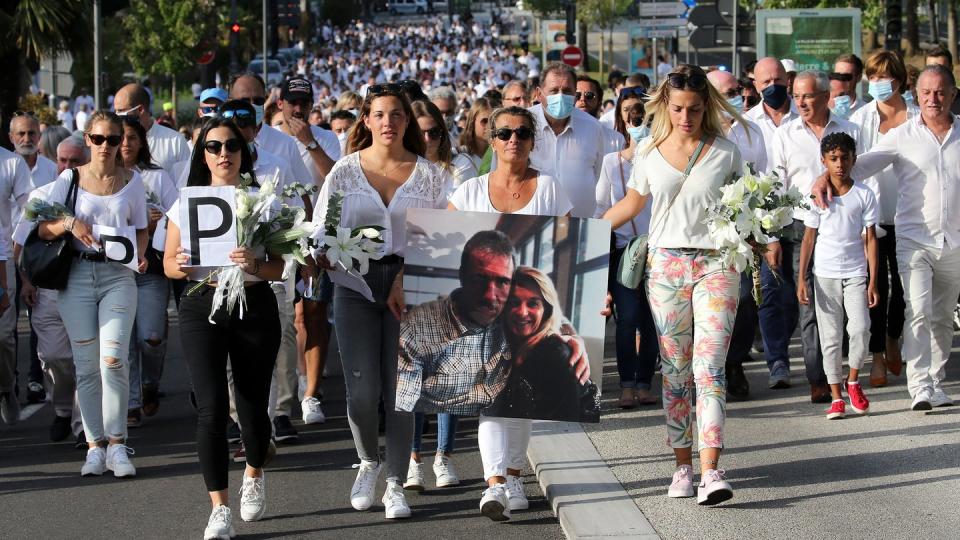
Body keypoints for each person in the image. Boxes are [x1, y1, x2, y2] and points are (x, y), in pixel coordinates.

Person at [604, 64, 761, 506]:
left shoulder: (727, 152)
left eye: (693, 108)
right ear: (665, 107)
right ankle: (682, 467)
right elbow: (632, 203)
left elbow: (746, 205)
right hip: (666, 266)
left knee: (708, 368)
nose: (685, 117)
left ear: (706, 106)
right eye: (677, 109)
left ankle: (712, 470)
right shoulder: (649, 152)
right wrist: (583, 234)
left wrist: (761, 234)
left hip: (717, 266)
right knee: (675, 372)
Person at [312, 84, 447, 520]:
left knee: (401, 391)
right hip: (353, 285)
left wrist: (409, 275)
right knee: (362, 389)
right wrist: (317, 254)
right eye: (379, 114)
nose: (388, 122)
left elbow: (443, 238)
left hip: (410, 286)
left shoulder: (429, 175)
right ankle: (368, 461)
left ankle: (394, 482)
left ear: (408, 122)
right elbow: (321, 229)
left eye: (397, 115)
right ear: (366, 120)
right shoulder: (344, 172)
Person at [444, 107, 577, 522]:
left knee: (522, 395)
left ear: (533, 140)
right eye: (504, 133)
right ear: (492, 139)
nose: (513, 140)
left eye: (521, 133)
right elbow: (446, 243)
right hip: (484, 311)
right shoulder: (468, 192)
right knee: (492, 395)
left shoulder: (550, 188)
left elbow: (568, 246)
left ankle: (514, 476)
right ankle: (495, 483)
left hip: (528, 310)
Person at [811, 65, 960, 411]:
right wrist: (823, 177)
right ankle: (919, 385)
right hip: (914, 239)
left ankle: (935, 381)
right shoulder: (903, 135)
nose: (933, 99)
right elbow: (856, 166)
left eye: (940, 92)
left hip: (954, 242)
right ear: (916, 94)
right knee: (918, 309)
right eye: (926, 93)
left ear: (952, 94)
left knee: (941, 315)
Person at [163, 116, 283, 538]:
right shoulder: (186, 201)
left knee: (252, 410)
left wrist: (255, 263)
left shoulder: (265, 200)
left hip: (253, 303)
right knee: (211, 407)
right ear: (203, 155)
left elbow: (280, 266)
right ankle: (219, 507)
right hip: (202, 303)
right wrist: (178, 265)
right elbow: (168, 263)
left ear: (244, 151)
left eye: (231, 145)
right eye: (213, 147)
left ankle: (253, 471)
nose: (223, 153)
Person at [38, 111, 148, 477]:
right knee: (86, 367)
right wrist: (69, 222)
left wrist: (141, 255)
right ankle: (94, 446)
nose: (106, 146)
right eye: (98, 139)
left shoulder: (134, 182)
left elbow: (141, 229)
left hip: (119, 276)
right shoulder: (69, 179)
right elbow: (40, 227)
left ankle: (118, 444)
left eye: (113, 139)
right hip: (78, 277)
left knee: (113, 360)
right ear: (87, 139)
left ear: (123, 142)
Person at [228, 73, 313, 441]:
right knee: (232, 340)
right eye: (239, 103)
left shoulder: (282, 150)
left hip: (274, 260)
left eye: (254, 100)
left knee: (281, 333)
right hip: (227, 264)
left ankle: (280, 410)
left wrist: (301, 253)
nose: (246, 110)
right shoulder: (211, 150)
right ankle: (237, 416)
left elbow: (298, 204)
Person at [771, 70, 862, 403]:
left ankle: (842, 369)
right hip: (800, 228)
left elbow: (861, 171)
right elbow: (776, 185)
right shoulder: (785, 133)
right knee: (808, 303)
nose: (800, 102)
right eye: (796, 96)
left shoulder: (850, 130)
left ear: (826, 97)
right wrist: (771, 238)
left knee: (844, 305)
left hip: (843, 227)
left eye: (807, 96)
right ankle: (818, 377)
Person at [797, 133, 879, 420]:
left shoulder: (865, 194)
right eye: (833, 159)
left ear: (854, 159)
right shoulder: (818, 196)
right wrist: (801, 279)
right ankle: (835, 396)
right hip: (824, 275)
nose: (840, 164)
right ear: (824, 161)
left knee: (859, 329)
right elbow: (808, 238)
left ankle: (853, 379)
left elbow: (870, 239)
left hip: (856, 272)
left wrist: (872, 281)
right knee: (830, 337)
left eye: (845, 158)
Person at [848, 50, 917, 387]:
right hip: (871, 218)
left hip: (911, 216)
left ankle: (893, 337)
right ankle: (877, 355)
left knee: (904, 288)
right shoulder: (860, 119)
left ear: (900, 80)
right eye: (872, 77)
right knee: (876, 287)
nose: (877, 83)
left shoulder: (917, 116)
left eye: (884, 77)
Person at [593, 91, 659, 408]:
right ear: (621, 118)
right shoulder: (611, 163)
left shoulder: (661, 159)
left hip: (658, 251)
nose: (635, 116)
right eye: (629, 111)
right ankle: (627, 383)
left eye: (640, 111)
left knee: (650, 320)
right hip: (623, 252)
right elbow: (603, 209)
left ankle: (645, 382)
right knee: (628, 318)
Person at [706, 68, 768, 401]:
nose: (738, 97)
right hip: (703, 233)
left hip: (741, 232)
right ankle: (708, 368)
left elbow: (762, 177)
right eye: (729, 92)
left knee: (743, 298)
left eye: (738, 90)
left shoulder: (751, 131)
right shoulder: (696, 132)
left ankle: (734, 363)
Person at [118, 116, 178, 427]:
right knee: (123, 340)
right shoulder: (103, 179)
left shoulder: (156, 177)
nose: (126, 143)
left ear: (142, 142)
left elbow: (179, 215)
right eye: (121, 137)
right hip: (115, 271)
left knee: (150, 337)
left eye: (132, 137)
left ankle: (149, 384)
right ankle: (130, 404)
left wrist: (158, 224)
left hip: (152, 270)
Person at [490, 266, 600, 423]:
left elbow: (564, 425)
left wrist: (572, 337)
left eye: (533, 304)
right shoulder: (500, 339)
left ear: (546, 310)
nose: (522, 312)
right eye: (514, 302)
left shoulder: (555, 354)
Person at [528, 62, 606, 219]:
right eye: (554, 90)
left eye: (567, 91)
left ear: (575, 94)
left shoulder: (593, 128)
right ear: (539, 93)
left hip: (581, 226)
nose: (560, 96)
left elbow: (598, 176)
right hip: (531, 225)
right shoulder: (523, 125)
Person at [0, 145, 28, 424]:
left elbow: (28, 209)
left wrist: (18, 248)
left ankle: (6, 387)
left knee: (3, 338)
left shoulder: (10, 162)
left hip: (2, 259)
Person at [114, 83, 191, 176]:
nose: (117, 116)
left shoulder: (175, 142)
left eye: (121, 111)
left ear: (140, 109)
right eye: (115, 111)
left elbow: (185, 182)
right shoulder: (113, 141)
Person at [455, 97, 492, 183]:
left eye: (494, 120)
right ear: (472, 122)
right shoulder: (459, 154)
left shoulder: (500, 155)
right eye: (485, 121)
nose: (490, 126)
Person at [922, 46, 960, 115]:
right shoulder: (916, 103)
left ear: (951, 68)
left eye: (941, 69)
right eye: (930, 68)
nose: (935, 73)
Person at [828, 54, 866, 119]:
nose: (841, 79)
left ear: (859, 78)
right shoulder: (821, 108)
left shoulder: (866, 110)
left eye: (847, 76)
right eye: (837, 75)